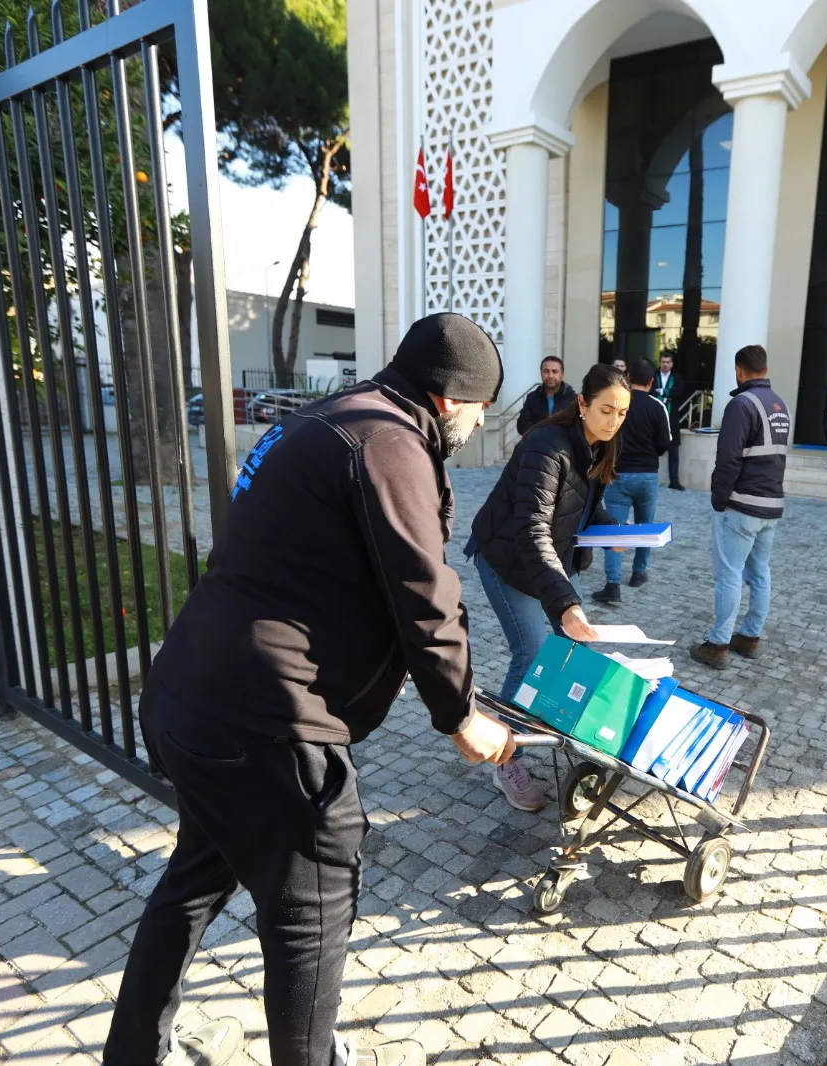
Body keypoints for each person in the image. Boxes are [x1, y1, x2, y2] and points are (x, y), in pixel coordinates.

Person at [101, 313, 516, 1066]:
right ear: (450, 397)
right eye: (484, 405)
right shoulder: (390, 445)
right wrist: (460, 713)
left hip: (192, 697)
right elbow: (423, 593)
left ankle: (130, 1054)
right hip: (268, 729)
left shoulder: (331, 418)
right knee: (311, 923)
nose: (485, 421)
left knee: (195, 877)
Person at [467, 363, 630, 810]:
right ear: (582, 404)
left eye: (621, 413)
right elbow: (532, 530)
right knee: (533, 651)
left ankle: (568, 730)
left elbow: (581, 508)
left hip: (551, 561)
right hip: (507, 559)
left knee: (577, 650)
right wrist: (565, 602)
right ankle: (506, 759)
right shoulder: (546, 444)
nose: (614, 421)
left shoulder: (600, 447)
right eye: (605, 410)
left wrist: (615, 532)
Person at [691, 345, 789, 670]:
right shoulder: (780, 405)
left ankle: (718, 643)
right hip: (771, 505)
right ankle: (750, 637)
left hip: (742, 505)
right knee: (760, 572)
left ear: (739, 370)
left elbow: (728, 458)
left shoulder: (741, 404)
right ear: (766, 367)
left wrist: (719, 498)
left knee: (730, 573)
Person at [592, 357, 670, 605]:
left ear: (628, 379)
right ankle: (639, 572)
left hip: (618, 473)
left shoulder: (618, 404)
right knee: (645, 525)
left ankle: (612, 584)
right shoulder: (658, 406)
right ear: (651, 381)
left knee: (615, 529)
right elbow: (664, 444)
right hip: (647, 474)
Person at [516, 355, 576, 435]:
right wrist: (542, 435)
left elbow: (576, 427)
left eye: (555, 371)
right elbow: (522, 425)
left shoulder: (573, 399)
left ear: (562, 375)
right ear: (541, 373)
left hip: (563, 446)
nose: (550, 375)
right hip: (537, 444)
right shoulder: (532, 397)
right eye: (546, 371)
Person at [654, 352, 685, 490]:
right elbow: (650, 392)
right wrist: (669, 393)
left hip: (671, 419)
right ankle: (653, 479)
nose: (665, 364)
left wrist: (662, 391)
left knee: (674, 451)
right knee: (652, 449)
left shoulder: (676, 377)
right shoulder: (654, 376)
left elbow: (680, 392)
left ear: (672, 364)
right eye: (663, 362)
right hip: (655, 417)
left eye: (667, 362)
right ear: (660, 363)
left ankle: (674, 481)